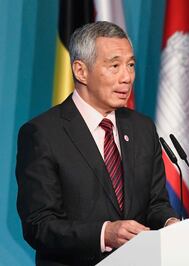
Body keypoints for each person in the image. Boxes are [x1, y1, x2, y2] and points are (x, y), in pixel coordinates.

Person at [16, 21, 179, 265]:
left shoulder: (142, 128)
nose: (127, 77)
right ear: (81, 71)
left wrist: (169, 223)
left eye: (131, 65)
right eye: (114, 66)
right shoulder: (43, 133)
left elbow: (156, 204)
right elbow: (39, 225)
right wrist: (105, 234)